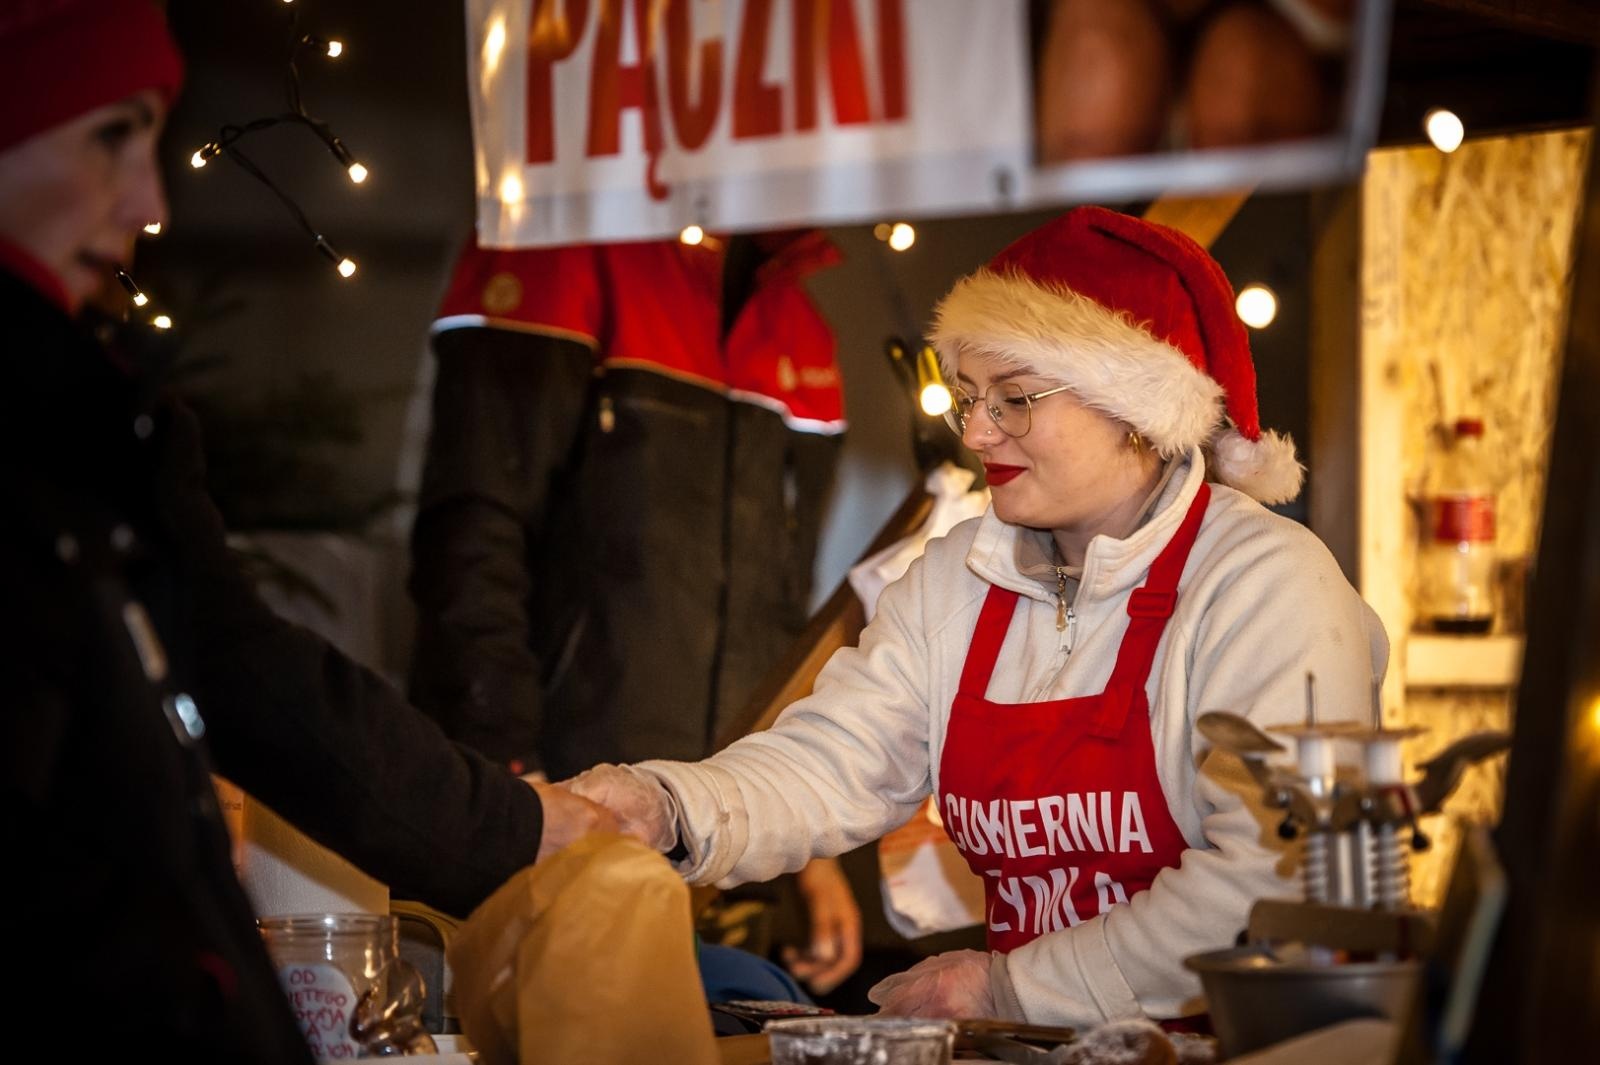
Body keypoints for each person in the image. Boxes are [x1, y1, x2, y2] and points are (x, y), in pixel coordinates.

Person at [564, 205, 1390, 1028]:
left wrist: (1008, 988)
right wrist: (666, 803)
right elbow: (836, 761)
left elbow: (1278, 885)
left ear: (1138, 409)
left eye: (1016, 398)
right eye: (970, 396)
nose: (979, 432)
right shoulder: (957, 578)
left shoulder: (1267, 586)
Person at [0, 2, 612, 1060]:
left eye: (154, 139)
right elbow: (246, 672)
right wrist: (508, 811)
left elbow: (237, 664)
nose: (148, 201)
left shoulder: (90, 413)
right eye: (111, 133)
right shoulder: (62, 428)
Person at [406, 230, 864, 994]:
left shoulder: (805, 329)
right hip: (560, 813)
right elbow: (471, 543)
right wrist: (518, 788)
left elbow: (784, 616)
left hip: (724, 848)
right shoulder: (553, 256)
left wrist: (810, 849)